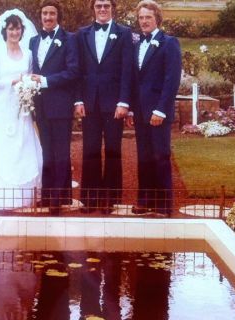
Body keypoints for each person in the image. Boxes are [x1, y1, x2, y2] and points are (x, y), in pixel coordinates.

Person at [75, 0, 134, 213]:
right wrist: (78, 100)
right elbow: (78, 71)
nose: (102, 9)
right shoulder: (82, 34)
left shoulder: (124, 33)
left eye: (106, 6)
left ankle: (110, 198)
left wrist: (124, 102)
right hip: (89, 103)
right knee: (89, 150)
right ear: (93, 9)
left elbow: (128, 69)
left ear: (112, 8)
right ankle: (90, 198)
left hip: (114, 104)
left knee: (112, 149)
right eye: (98, 6)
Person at [0, 10, 42, 211]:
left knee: (22, 145)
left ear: (22, 30)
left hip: (22, 107)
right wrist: (12, 81)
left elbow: (32, 77)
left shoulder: (28, 54)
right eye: (11, 28)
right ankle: (2, 197)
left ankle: (25, 195)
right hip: (2, 108)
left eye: (17, 28)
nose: (14, 32)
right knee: (4, 147)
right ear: (5, 31)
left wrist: (26, 86)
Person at [128, 0, 182, 216]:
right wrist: (131, 109)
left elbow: (171, 80)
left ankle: (164, 205)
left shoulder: (169, 43)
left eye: (148, 17)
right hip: (140, 112)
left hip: (158, 111)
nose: (144, 21)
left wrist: (161, 110)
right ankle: (145, 201)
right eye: (141, 18)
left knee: (160, 156)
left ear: (157, 19)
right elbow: (134, 80)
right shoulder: (136, 44)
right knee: (144, 157)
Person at [29, 0, 79, 215]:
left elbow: (73, 71)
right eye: (44, 14)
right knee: (47, 151)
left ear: (58, 16)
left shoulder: (69, 40)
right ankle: (48, 195)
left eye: (51, 13)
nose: (48, 17)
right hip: (40, 105)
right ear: (40, 17)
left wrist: (45, 81)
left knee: (61, 152)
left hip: (60, 104)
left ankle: (59, 197)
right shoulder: (33, 41)